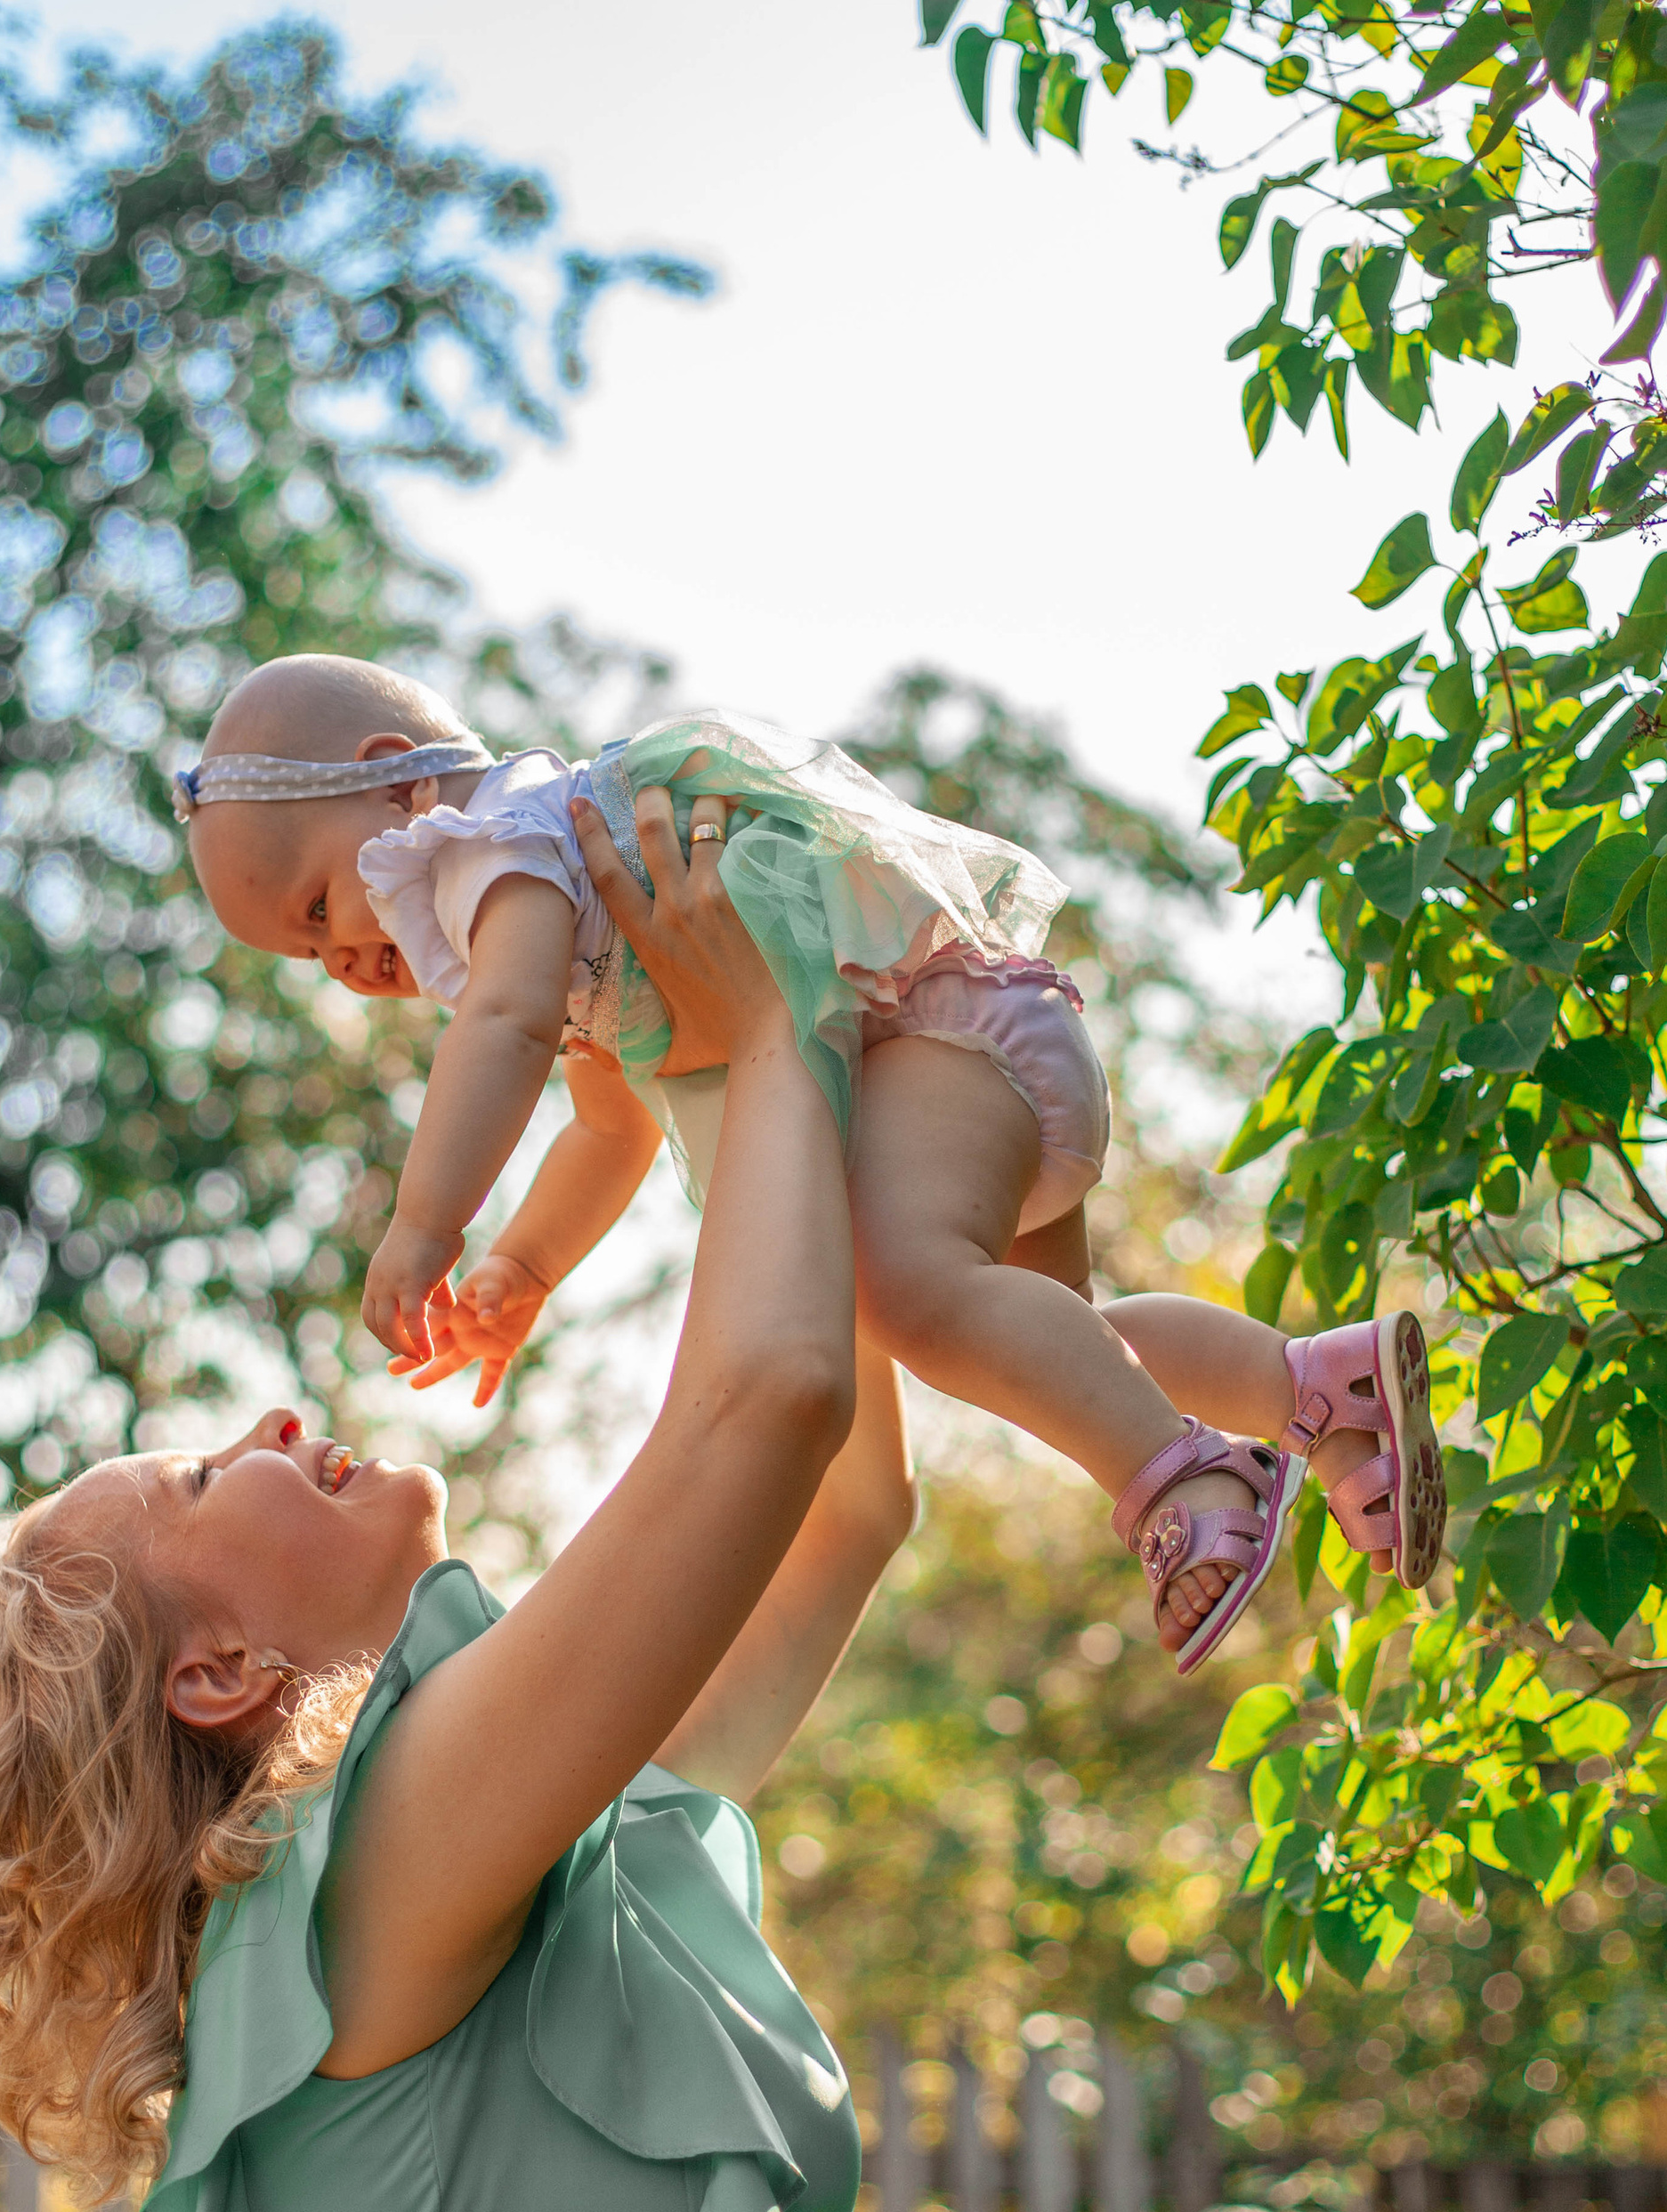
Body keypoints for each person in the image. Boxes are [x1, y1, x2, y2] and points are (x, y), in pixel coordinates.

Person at [0, 790, 918, 2212]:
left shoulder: (507, 1844)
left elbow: (842, 1508)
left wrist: (717, 1057)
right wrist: (766, 1034)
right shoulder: (370, 1871)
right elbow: (767, 1404)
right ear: (217, 1671)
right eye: (196, 1479)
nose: (260, 1426)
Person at [180, 657, 1444, 1665]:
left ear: (394, 783)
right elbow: (609, 1124)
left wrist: (427, 1227)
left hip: (929, 1030)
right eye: (306, 961)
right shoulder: (555, 919)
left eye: (313, 910)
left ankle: (1183, 1479)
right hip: (962, 1052)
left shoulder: (496, 851)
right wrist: (525, 1267)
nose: (339, 962)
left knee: (903, 1293)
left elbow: (498, 1030)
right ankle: (1312, 1394)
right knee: (1048, 1335)